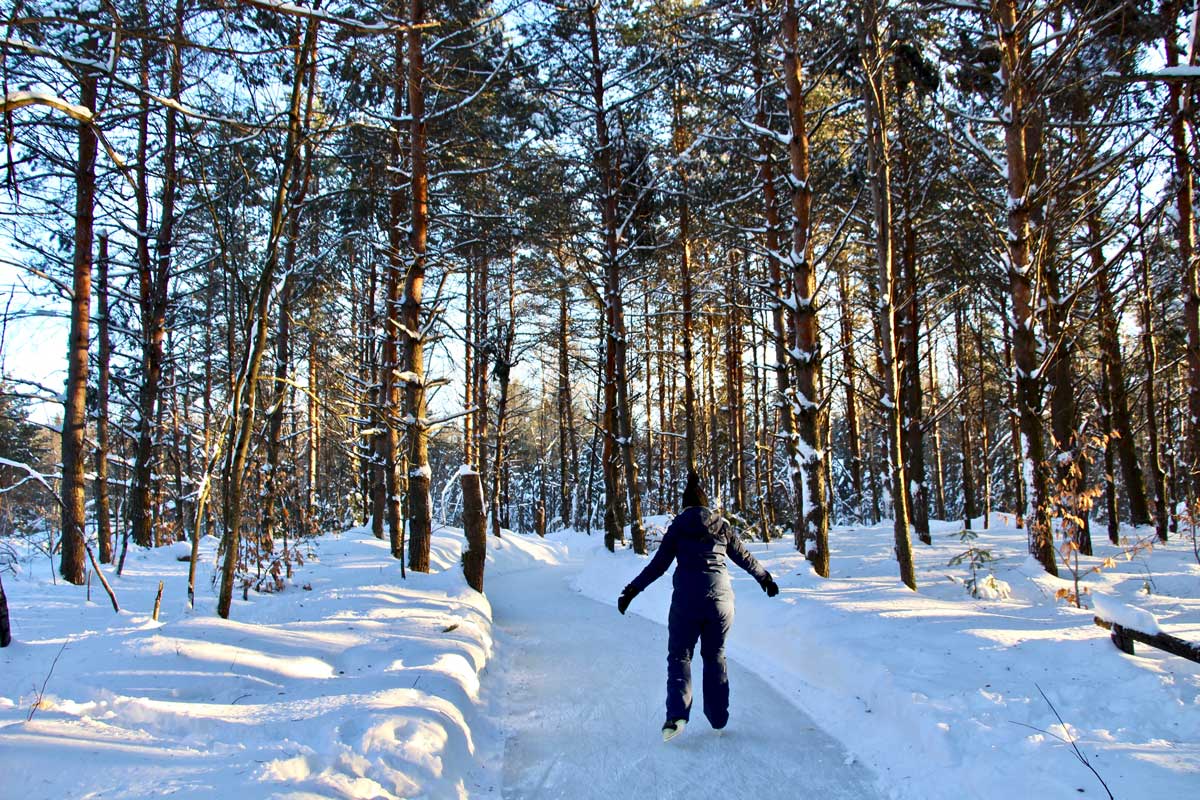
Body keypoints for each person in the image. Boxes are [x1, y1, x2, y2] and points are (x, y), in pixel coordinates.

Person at [617, 470, 779, 741]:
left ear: (685, 505)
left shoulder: (678, 528)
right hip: (721, 602)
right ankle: (718, 718)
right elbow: (745, 557)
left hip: (687, 603)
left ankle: (677, 716)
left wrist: (632, 590)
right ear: (706, 504)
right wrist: (765, 579)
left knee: (680, 656)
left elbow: (658, 566)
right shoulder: (722, 526)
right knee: (715, 654)